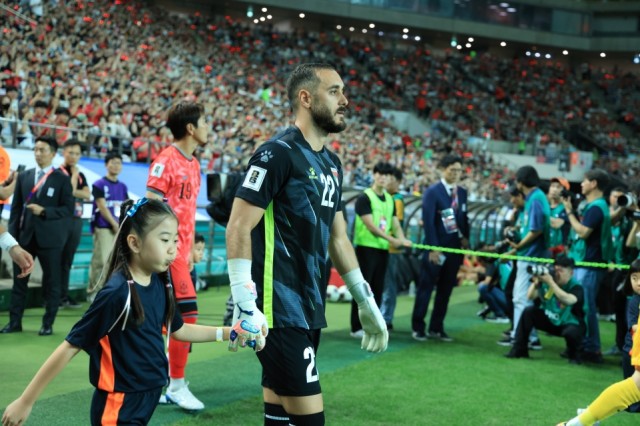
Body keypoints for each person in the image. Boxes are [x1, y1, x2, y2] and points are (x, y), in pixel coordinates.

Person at [225, 63, 388, 426]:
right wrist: (245, 301)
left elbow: (338, 236)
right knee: (310, 421)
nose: (345, 100)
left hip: (310, 304)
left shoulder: (332, 164)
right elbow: (237, 225)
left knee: (280, 414)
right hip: (277, 310)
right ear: (305, 97)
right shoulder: (277, 153)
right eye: (334, 91)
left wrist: (365, 300)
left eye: (344, 91)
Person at [0, 198, 250, 426]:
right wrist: (26, 400)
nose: (173, 248)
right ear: (134, 242)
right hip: (118, 404)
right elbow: (70, 346)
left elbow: (179, 330)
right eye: (165, 240)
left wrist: (228, 332)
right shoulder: (117, 293)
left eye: (175, 240)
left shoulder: (161, 282)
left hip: (149, 395)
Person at [145, 101, 208, 411]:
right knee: (187, 316)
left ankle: (157, 381)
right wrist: (163, 251)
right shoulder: (165, 161)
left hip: (183, 254)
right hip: (166, 255)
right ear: (191, 129)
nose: (209, 128)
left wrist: (189, 249)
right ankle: (176, 384)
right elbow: (150, 207)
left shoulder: (194, 164)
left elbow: (189, 212)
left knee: (164, 320)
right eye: (205, 122)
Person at [1, 136, 74, 336]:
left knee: (52, 282)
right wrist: (13, 238)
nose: (38, 153)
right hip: (24, 239)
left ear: (52, 153)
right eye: (35, 149)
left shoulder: (62, 178)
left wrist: (45, 211)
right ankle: (14, 322)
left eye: (42, 150)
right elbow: (15, 210)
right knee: (19, 281)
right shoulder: (24, 176)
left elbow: (68, 209)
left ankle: (47, 323)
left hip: (51, 240)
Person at [557, 259, 640, 426]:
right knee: (636, 385)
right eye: (635, 278)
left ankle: (581, 421)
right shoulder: (634, 301)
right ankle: (579, 422)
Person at [411, 154, 469, 342]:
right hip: (436, 248)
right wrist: (434, 248)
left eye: (459, 170)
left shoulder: (462, 193)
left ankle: (437, 327)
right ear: (443, 170)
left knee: (446, 290)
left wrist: (465, 239)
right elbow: (428, 222)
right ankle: (418, 326)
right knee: (426, 287)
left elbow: (463, 218)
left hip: (455, 250)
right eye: (452, 170)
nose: (456, 174)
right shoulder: (433, 192)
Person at [352, 162, 411, 337]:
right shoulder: (365, 197)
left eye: (387, 175)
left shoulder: (390, 199)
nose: (384, 178)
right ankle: (356, 327)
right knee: (362, 289)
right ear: (374, 175)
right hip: (365, 249)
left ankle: (373, 326)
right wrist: (394, 240)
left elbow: (395, 224)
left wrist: (402, 239)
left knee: (377, 289)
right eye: (380, 174)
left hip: (383, 250)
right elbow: (371, 226)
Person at [563, 169, 612, 364]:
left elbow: (583, 232)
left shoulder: (596, 207)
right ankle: (586, 345)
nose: (581, 184)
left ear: (594, 183)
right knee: (585, 306)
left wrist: (568, 212)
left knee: (587, 306)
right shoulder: (597, 206)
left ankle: (591, 348)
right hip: (588, 263)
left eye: (584, 181)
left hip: (590, 264)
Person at [497, 166, 550, 350]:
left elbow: (536, 230)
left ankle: (521, 337)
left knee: (521, 298)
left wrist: (518, 247)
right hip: (529, 255)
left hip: (531, 256)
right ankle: (529, 337)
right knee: (523, 298)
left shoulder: (535, 199)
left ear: (520, 182)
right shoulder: (535, 198)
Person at [505, 255, 585, 363]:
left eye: (560, 271)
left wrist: (551, 282)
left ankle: (574, 355)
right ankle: (519, 350)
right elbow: (530, 296)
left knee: (571, 332)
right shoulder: (548, 282)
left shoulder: (576, 287)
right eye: (555, 269)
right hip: (552, 319)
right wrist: (537, 282)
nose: (557, 273)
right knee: (529, 311)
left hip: (570, 323)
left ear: (571, 273)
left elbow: (568, 300)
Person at [87, 152, 129, 298]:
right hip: (104, 227)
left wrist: (122, 225)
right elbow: (102, 206)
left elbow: (126, 206)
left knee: (114, 262)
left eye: (119, 163)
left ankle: (108, 291)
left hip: (119, 228)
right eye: (113, 162)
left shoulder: (123, 186)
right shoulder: (99, 184)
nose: (116, 165)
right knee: (101, 261)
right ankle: (94, 292)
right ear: (106, 164)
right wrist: (114, 224)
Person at [59, 139, 91, 308]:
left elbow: (87, 194)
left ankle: (63, 296)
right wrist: (73, 175)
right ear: (63, 152)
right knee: (56, 261)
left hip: (76, 220)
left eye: (77, 154)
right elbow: (70, 192)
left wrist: (77, 186)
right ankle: (54, 296)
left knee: (68, 260)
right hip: (60, 222)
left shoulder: (81, 175)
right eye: (70, 152)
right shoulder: (58, 172)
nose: (74, 156)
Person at [380, 166, 409, 330]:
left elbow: (396, 222)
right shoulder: (386, 197)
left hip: (392, 248)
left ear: (397, 182)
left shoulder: (396, 199)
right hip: (383, 246)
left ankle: (387, 318)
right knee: (383, 283)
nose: (386, 181)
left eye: (390, 178)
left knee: (389, 284)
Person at [548, 177, 570, 257]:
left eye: (558, 187)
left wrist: (539, 216)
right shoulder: (546, 207)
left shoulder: (566, 209)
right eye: (552, 186)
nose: (554, 189)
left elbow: (556, 224)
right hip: (545, 250)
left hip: (559, 252)